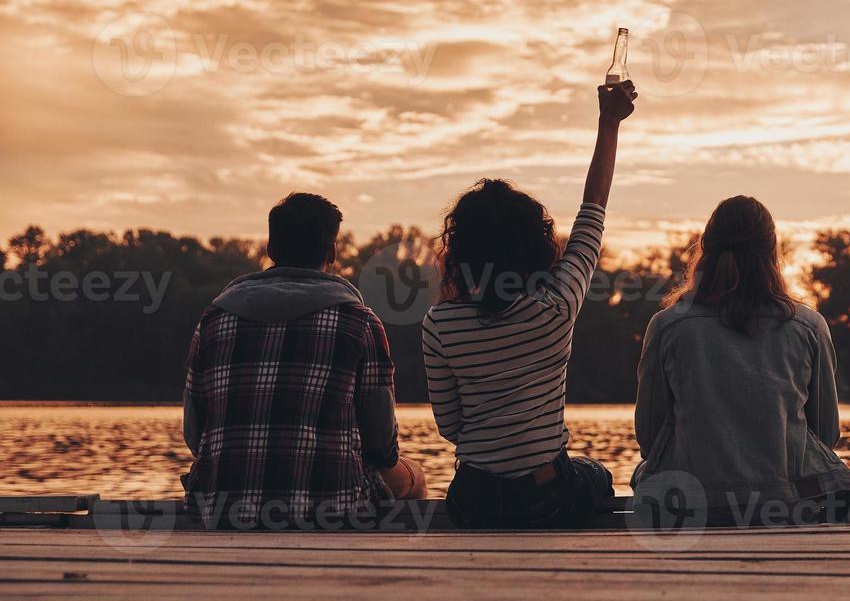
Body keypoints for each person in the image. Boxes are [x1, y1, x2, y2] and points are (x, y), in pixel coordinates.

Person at [422, 81, 636, 529]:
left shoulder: (439, 324)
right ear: (535, 249)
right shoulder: (557, 308)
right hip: (548, 498)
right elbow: (592, 209)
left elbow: (450, 427)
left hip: (473, 500)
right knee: (596, 473)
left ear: (460, 251)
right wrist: (608, 123)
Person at [183, 193, 425, 530]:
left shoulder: (213, 320)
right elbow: (381, 445)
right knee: (414, 476)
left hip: (221, 508)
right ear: (332, 252)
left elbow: (195, 435)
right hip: (332, 509)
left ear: (270, 249)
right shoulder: (360, 323)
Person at [633, 196, 850, 507]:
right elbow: (826, 434)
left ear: (706, 249)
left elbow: (649, 438)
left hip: (696, 503)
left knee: (643, 474)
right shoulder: (809, 326)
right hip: (785, 503)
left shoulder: (668, 326)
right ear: (772, 253)